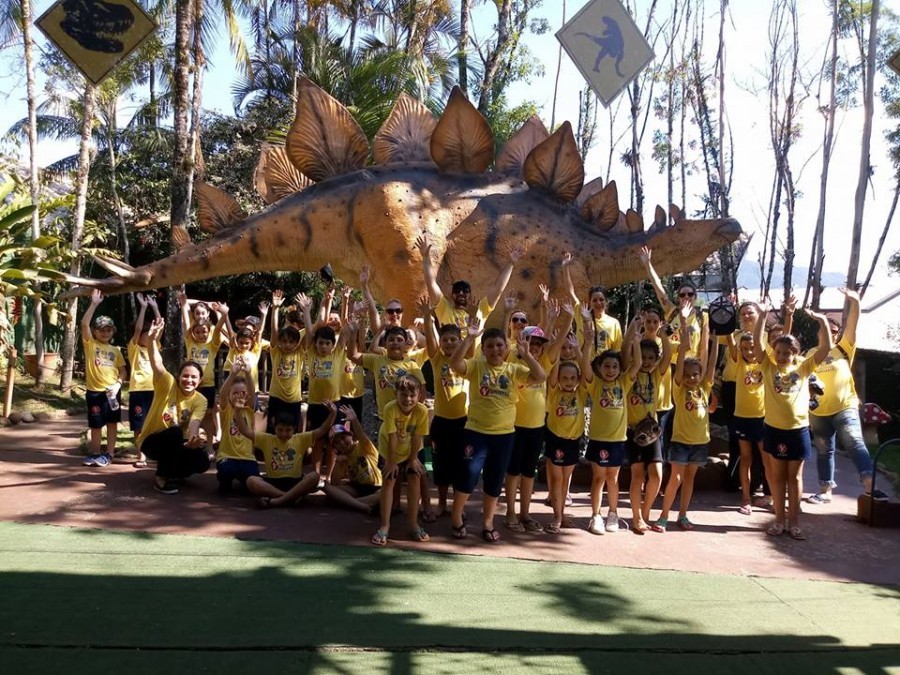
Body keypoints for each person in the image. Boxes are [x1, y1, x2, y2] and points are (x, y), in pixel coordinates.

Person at [449, 325, 546, 542]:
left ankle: (488, 522)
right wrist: (469, 338)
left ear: (507, 348)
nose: (495, 350)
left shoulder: (513, 370)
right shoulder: (476, 366)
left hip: (504, 436)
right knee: (468, 477)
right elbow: (455, 363)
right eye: (490, 346)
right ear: (483, 349)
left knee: (494, 480)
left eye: (499, 345)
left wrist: (527, 354)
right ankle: (456, 517)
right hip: (476, 433)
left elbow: (540, 376)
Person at [752, 303, 833, 540]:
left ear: (795, 353)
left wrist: (822, 321)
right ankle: (779, 520)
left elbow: (826, 347)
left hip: (798, 430)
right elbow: (757, 342)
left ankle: (794, 523)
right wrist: (763, 315)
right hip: (774, 429)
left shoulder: (804, 367)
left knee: (794, 477)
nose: (782, 356)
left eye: (787, 353)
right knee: (777, 478)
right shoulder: (768, 367)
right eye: (778, 352)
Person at [807, 288, 887, 503]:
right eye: (824, 329)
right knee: (824, 450)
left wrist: (855, 301)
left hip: (845, 407)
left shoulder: (843, 349)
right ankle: (825, 491)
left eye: (833, 331)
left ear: (837, 334)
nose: (829, 333)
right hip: (818, 411)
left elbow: (853, 324)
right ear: (818, 333)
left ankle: (870, 485)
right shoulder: (809, 354)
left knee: (854, 442)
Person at [506, 302, 572, 533]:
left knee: (528, 472)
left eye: (537, 344)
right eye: (530, 342)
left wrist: (566, 318)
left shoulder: (543, 362)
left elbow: (558, 342)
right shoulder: (511, 359)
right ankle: (510, 513)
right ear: (522, 341)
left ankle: (525, 514)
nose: (534, 347)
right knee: (513, 471)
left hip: (536, 427)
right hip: (514, 426)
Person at [653, 306, 719, 532]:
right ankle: (663, 517)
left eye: (695, 375)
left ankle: (683, 516)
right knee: (676, 478)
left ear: (701, 376)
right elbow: (681, 356)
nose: (691, 378)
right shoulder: (680, 389)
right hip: (681, 442)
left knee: (690, 480)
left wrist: (715, 340)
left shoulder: (705, 388)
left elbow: (711, 362)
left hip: (700, 442)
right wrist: (682, 324)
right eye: (688, 374)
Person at [136, 318, 210, 495]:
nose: (189, 380)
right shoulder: (167, 384)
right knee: (175, 432)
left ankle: (175, 473)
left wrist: (193, 441)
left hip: (177, 441)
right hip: (151, 441)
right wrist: (152, 341)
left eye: (193, 377)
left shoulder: (200, 400)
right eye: (185, 376)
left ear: (200, 380)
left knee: (202, 460)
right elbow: (157, 364)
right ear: (178, 376)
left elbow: (194, 423)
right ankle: (161, 478)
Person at [583, 321, 641, 535]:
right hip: (598, 439)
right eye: (606, 366)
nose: (611, 370)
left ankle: (613, 514)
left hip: (618, 440)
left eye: (615, 366)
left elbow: (637, 364)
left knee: (613, 479)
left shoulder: (624, 383)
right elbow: (584, 365)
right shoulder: (595, 384)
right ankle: (596, 515)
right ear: (599, 368)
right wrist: (588, 342)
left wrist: (636, 341)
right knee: (598, 478)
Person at [622, 313, 673, 534]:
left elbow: (667, 357)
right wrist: (633, 335)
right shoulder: (630, 373)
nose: (647, 361)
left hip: (652, 433)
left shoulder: (656, 375)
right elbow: (626, 354)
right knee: (637, 475)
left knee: (657, 474)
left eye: (651, 358)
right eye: (642, 357)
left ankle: (645, 512)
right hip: (633, 432)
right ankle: (636, 518)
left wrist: (663, 335)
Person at [417, 232, 522, 339]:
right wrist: (425, 258)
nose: (461, 293)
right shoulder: (443, 309)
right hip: (452, 349)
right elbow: (431, 283)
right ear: (452, 295)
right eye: (457, 290)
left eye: (465, 290)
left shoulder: (481, 310)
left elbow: (498, 288)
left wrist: (511, 263)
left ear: (470, 295)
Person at [418, 297, 468, 519]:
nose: (449, 343)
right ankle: (441, 504)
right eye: (445, 340)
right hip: (441, 422)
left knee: (461, 466)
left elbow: (473, 340)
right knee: (440, 465)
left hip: (464, 422)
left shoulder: (467, 359)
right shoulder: (437, 360)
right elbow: (430, 339)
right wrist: (427, 317)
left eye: (453, 340)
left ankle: (459, 507)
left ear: (460, 342)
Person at [235, 402, 336, 508]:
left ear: (294, 429)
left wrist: (333, 414)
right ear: (274, 428)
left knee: (315, 476)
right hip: (273, 482)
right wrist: (237, 411)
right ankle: (288, 498)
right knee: (251, 481)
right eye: (280, 430)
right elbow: (244, 430)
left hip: (295, 482)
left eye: (288, 430)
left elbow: (322, 430)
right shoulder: (266, 439)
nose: (283, 434)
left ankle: (278, 500)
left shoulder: (300, 439)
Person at [371, 375, 431, 546]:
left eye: (412, 395)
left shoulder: (422, 411)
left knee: (414, 476)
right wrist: (391, 462)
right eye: (403, 395)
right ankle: (385, 525)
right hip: (390, 449)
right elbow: (392, 438)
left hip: (411, 449)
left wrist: (413, 460)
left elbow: (418, 437)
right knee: (389, 480)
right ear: (395, 394)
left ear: (419, 395)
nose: (408, 399)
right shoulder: (390, 408)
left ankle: (413, 523)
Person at [543, 345, 589, 534]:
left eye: (572, 378)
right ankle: (556, 517)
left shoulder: (581, 392)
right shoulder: (554, 392)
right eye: (564, 378)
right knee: (557, 480)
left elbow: (585, 370)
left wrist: (579, 350)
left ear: (577, 379)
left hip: (573, 441)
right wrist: (558, 343)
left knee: (565, 480)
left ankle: (560, 514)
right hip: (556, 440)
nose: (568, 382)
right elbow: (554, 372)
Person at [81, 289, 126, 467]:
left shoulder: (116, 350)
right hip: (94, 392)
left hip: (112, 392)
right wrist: (94, 304)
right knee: (96, 424)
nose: (105, 333)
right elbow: (84, 324)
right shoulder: (90, 345)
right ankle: (95, 453)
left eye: (108, 330)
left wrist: (118, 385)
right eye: (102, 330)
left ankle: (109, 453)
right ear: (95, 331)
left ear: (112, 331)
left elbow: (123, 371)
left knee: (112, 423)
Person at [639, 246, 707, 361]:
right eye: (682, 295)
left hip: (690, 365)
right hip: (669, 364)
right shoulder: (672, 311)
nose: (686, 297)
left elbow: (704, 348)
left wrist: (703, 369)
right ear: (678, 298)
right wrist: (648, 264)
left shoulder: (702, 317)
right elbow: (658, 288)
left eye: (690, 294)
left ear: (695, 297)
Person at [726, 330, 766, 514]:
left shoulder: (765, 362)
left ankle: (773, 497)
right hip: (742, 418)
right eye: (744, 349)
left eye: (752, 348)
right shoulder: (739, 362)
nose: (749, 352)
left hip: (762, 418)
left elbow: (784, 335)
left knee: (767, 460)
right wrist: (726, 326)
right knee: (745, 459)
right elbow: (731, 344)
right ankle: (746, 499)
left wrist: (788, 317)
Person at [349, 324, 425, 418]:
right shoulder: (376, 360)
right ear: (385, 343)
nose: (395, 342)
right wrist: (353, 333)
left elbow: (422, 391)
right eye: (391, 339)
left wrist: (413, 413)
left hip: (405, 418)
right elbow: (352, 356)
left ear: (405, 344)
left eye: (399, 340)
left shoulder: (412, 365)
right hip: (384, 417)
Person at [322, 405, 383, 513]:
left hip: (376, 486)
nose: (341, 443)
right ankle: (361, 505)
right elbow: (335, 483)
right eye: (337, 442)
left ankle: (350, 503)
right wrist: (338, 462)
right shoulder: (342, 457)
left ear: (351, 435)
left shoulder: (363, 446)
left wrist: (354, 420)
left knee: (383, 496)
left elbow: (361, 434)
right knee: (326, 487)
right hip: (356, 488)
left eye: (343, 437)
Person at [561, 251, 623, 358]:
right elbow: (570, 291)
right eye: (594, 300)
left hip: (603, 366)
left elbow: (617, 351)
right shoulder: (581, 313)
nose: (598, 303)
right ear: (590, 302)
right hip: (582, 363)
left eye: (601, 300)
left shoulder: (614, 323)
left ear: (606, 302)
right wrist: (565, 267)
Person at [214, 360, 260, 494]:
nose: (239, 396)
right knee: (226, 473)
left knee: (252, 483)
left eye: (243, 393)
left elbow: (252, 393)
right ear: (229, 396)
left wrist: (248, 373)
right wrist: (232, 374)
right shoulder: (226, 410)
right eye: (235, 393)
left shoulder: (248, 410)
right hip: (227, 456)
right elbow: (222, 394)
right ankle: (225, 480)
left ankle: (244, 481)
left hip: (247, 458)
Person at [127, 293, 160, 467]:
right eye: (146, 334)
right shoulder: (134, 348)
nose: (149, 336)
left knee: (153, 423)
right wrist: (144, 308)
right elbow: (138, 329)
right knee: (139, 424)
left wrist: (155, 307)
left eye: (150, 334)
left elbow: (159, 326)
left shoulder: (155, 347)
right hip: (138, 391)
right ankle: (141, 455)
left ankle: (153, 453)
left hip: (155, 390)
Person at [266, 290, 305, 433]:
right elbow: (274, 330)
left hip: (294, 400)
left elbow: (310, 331)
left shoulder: (300, 352)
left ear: (297, 343)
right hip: (276, 398)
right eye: (284, 341)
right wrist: (275, 309)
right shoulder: (276, 351)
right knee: (272, 431)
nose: (287, 344)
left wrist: (306, 311)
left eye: (291, 341)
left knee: (292, 433)